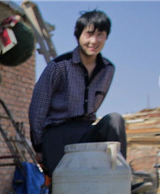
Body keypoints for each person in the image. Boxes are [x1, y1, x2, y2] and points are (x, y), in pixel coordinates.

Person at [28, 9, 127, 177]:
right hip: (58, 134)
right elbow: (37, 109)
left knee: (115, 120)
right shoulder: (59, 66)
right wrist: (38, 147)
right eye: (89, 34)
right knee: (68, 191)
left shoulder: (107, 69)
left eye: (100, 35)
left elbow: (94, 106)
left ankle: (121, 177)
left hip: (86, 131)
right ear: (78, 35)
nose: (94, 40)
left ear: (106, 37)